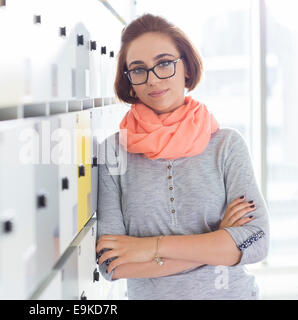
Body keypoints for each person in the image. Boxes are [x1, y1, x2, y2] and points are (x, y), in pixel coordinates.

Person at [96, 13, 270, 300]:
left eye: (164, 63)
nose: (153, 80)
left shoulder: (227, 145)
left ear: (186, 68)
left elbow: (256, 241)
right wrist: (219, 240)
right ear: (129, 82)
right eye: (138, 70)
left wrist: (151, 248)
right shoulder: (113, 152)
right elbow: (113, 264)